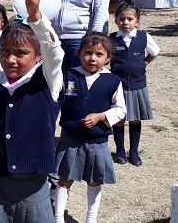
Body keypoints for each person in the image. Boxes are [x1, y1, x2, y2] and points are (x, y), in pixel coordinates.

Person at [0, 0, 64, 223]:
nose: (11, 59)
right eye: (5, 51)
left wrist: (36, 16)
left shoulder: (48, 81)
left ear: (38, 56)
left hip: (32, 189)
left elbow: (54, 53)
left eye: (21, 53)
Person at [54, 32, 126, 223]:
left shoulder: (112, 81)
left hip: (97, 141)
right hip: (71, 139)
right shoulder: (69, 75)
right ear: (79, 54)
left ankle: (91, 218)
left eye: (99, 54)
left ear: (108, 58)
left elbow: (120, 110)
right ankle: (58, 217)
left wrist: (101, 117)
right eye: (87, 52)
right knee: (64, 179)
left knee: (94, 181)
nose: (92, 58)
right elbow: (57, 99)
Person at [110, 2, 159, 166]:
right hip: (118, 86)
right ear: (116, 21)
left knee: (135, 119)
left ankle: (134, 152)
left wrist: (144, 63)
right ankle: (120, 151)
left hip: (138, 85)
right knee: (118, 119)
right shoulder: (112, 39)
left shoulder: (144, 37)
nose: (125, 22)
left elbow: (155, 52)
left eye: (130, 19)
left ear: (137, 21)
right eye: (121, 19)